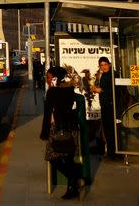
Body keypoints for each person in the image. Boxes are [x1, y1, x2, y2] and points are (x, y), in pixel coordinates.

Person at [40, 66, 86, 201]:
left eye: (49, 77)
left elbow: (48, 114)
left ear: (55, 78)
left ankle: (77, 178)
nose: (47, 80)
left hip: (58, 129)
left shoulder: (52, 92)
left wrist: (44, 132)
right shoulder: (69, 90)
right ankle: (72, 188)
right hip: (71, 129)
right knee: (68, 158)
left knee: (52, 157)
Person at [91, 56, 118, 158]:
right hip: (105, 105)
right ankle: (111, 151)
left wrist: (100, 90)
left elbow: (115, 91)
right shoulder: (104, 75)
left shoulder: (113, 75)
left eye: (105, 64)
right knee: (107, 129)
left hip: (112, 106)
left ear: (109, 64)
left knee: (111, 129)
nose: (104, 67)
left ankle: (114, 152)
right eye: (101, 65)